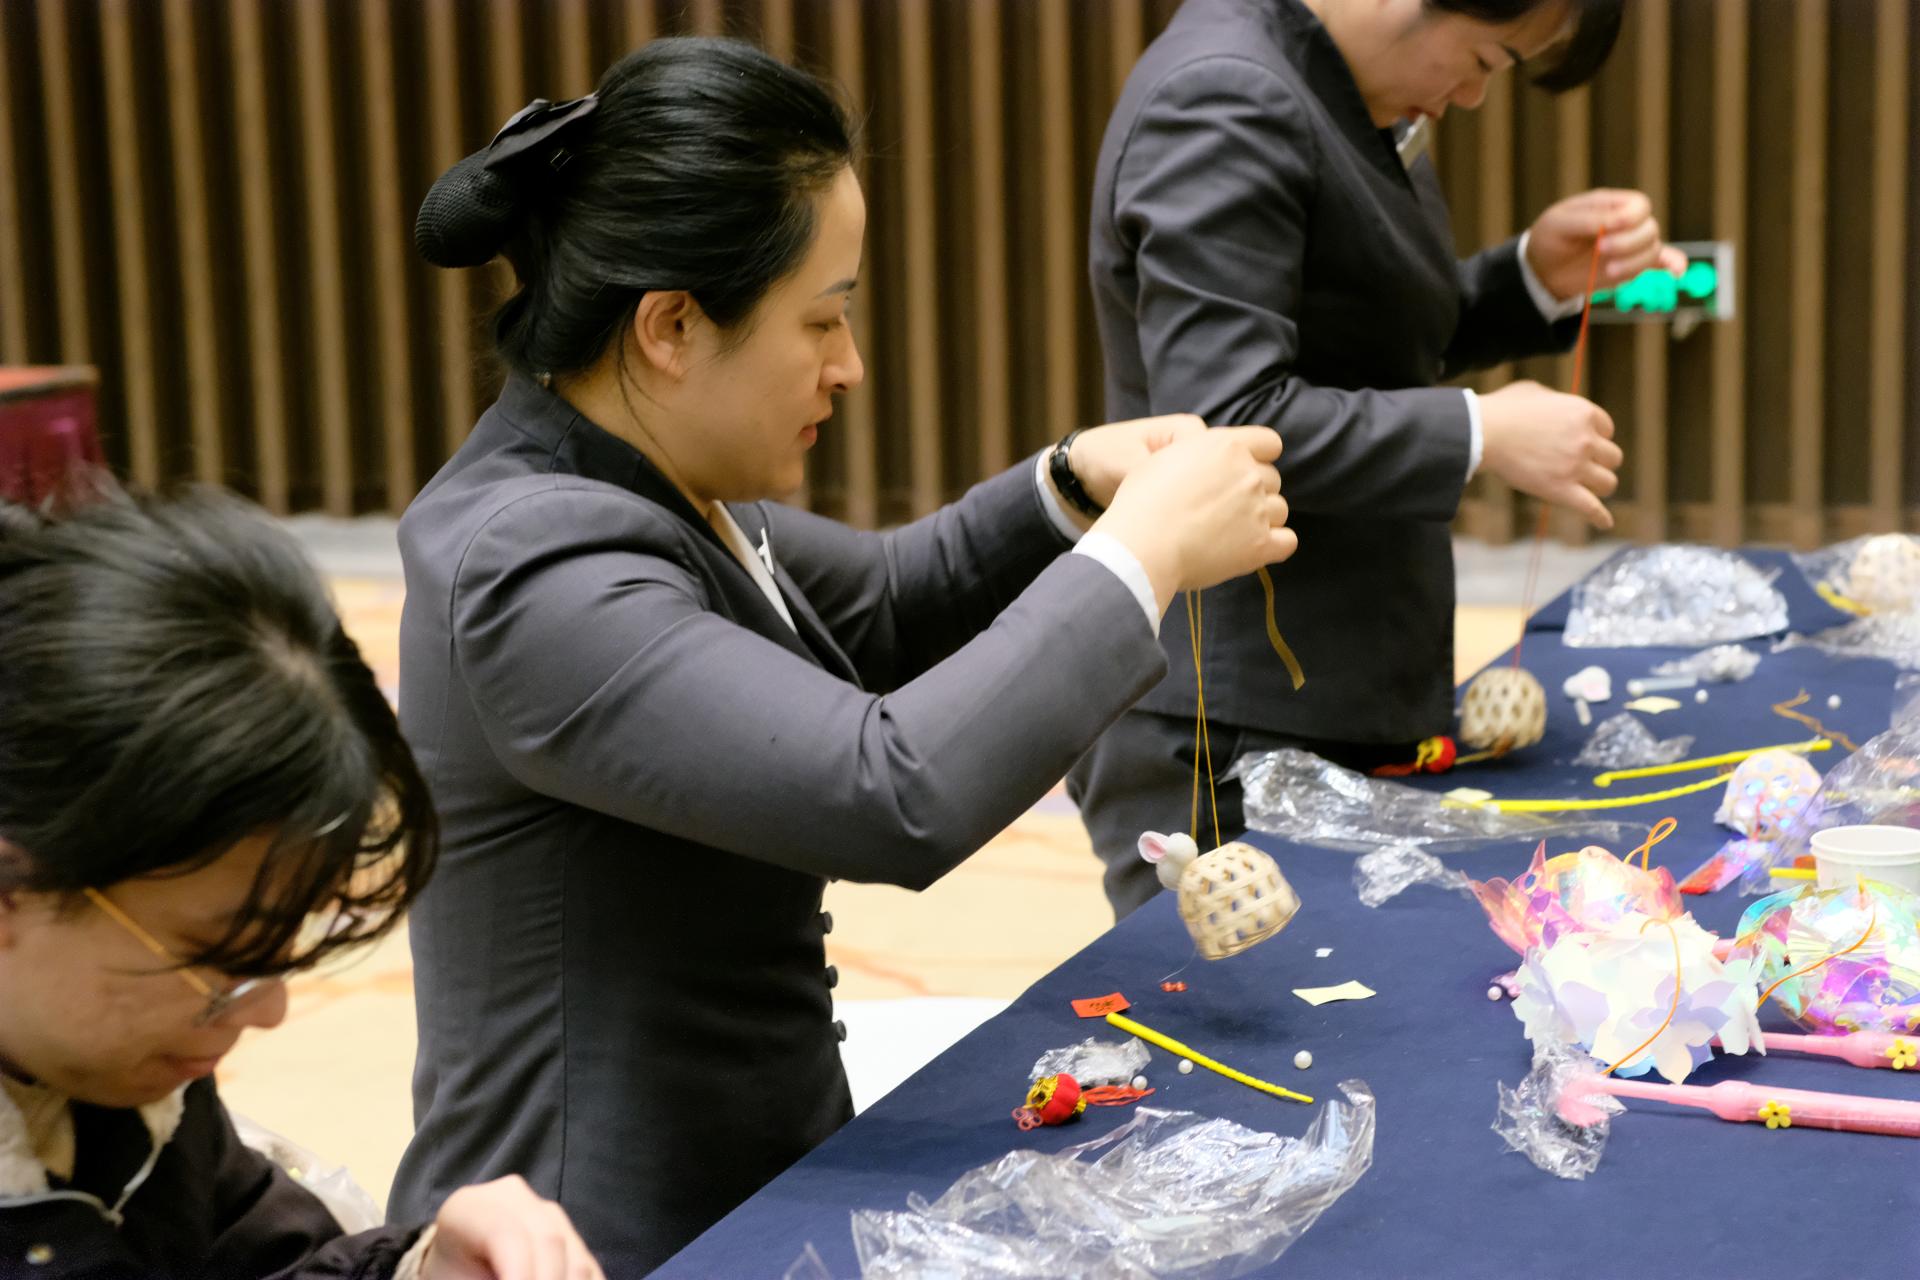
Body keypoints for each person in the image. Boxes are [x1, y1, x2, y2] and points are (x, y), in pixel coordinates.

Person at [387, 35, 1297, 1273]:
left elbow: (878, 605)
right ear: (670, 325)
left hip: (752, 1176)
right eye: (822, 319)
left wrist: (1072, 484)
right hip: (600, 1237)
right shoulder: (530, 565)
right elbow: (889, 790)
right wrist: (1143, 555)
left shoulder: (649, 483)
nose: (850, 366)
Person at [1073, 0, 1686, 916]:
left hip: (1325, 683)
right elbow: (1226, 419)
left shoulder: (1329, 80)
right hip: (1226, 713)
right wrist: (1480, 431)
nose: (1473, 96)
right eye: (1486, 57)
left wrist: (1528, 279)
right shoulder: (1224, 96)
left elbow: (1361, 345)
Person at [0, 486, 601, 1279]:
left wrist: (425, 1268)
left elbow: (265, 1258)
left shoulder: (125, 1079)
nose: (269, 1010)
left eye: (279, 949)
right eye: (220, 955)